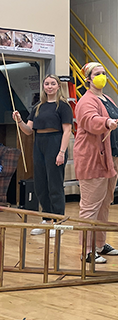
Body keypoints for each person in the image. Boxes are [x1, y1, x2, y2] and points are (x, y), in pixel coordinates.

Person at [74, 62, 118, 264]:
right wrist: (106, 122)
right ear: (88, 78)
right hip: (93, 160)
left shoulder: (106, 98)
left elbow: (115, 122)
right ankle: (87, 250)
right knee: (90, 207)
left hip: (111, 158)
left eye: (104, 73)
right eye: (97, 73)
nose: (102, 76)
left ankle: (100, 244)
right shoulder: (85, 101)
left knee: (105, 204)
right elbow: (90, 121)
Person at [12, 75, 72, 237]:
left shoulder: (63, 106)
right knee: (40, 184)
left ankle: (58, 221)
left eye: (53, 84)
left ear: (58, 86)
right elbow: (28, 130)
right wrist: (19, 121)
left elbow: (67, 130)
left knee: (54, 184)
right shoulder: (38, 106)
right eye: (47, 84)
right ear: (43, 87)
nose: (50, 86)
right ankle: (46, 218)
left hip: (55, 142)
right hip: (39, 143)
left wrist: (61, 152)